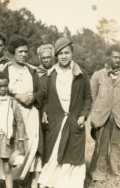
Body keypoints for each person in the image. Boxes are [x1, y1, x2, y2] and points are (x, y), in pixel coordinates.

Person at [39, 38, 92, 188]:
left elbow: (88, 97)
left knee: (72, 155)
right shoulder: (51, 75)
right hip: (56, 122)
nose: (63, 56)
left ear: (72, 53)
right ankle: (50, 182)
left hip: (74, 121)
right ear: (56, 55)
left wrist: (83, 115)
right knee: (54, 153)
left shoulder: (81, 74)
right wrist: (44, 112)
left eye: (66, 53)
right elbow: (47, 98)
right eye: (60, 53)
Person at [3, 38, 45, 188]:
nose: (23, 54)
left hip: (31, 111)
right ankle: (11, 181)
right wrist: (17, 96)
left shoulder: (32, 70)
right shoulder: (6, 69)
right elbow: (0, 89)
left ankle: (34, 183)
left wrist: (32, 97)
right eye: (20, 52)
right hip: (12, 111)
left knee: (33, 144)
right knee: (14, 144)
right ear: (13, 53)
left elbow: (41, 91)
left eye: (26, 52)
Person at [89, 44, 120, 181]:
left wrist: (118, 111)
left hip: (118, 117)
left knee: (117, 146)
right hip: (101, 117)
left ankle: (115, 174)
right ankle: (98, 174)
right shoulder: (97, 75)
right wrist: (96, 115)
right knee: (101, 145)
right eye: (114, 57)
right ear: (108, 57)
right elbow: (92, 98)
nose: (117, 60)